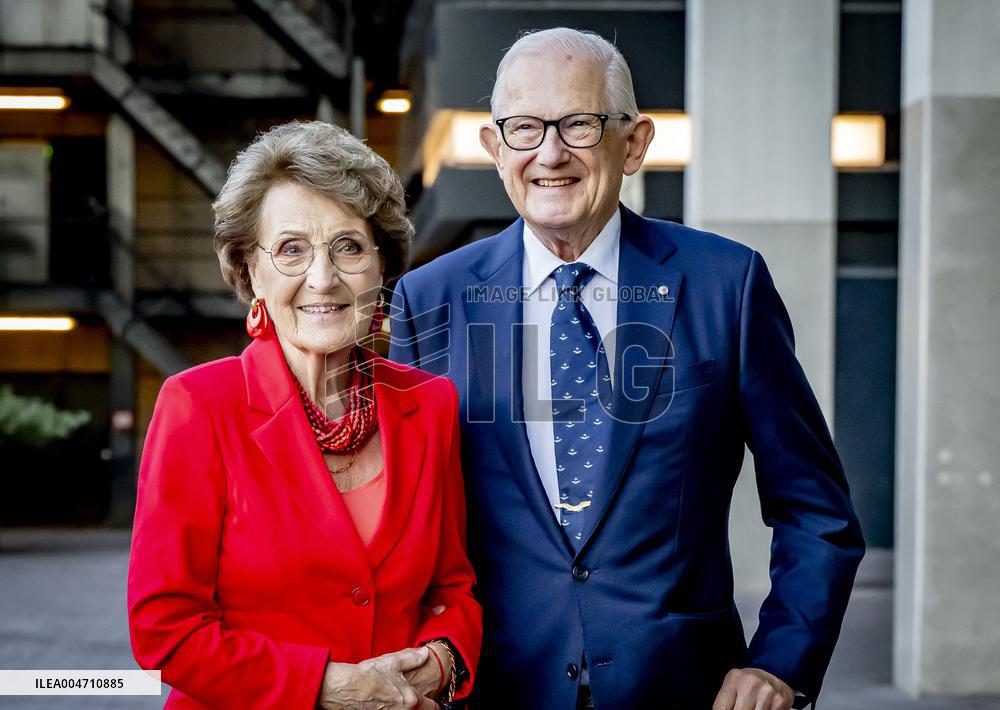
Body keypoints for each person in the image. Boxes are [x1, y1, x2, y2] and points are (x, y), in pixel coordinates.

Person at [389, 28, 864, 710]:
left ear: (635, 143)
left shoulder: (725, 285)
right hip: (494, 689)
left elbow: (816, 510)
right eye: (524, 128)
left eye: (579, 124)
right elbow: (411, 528)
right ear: (495, 151)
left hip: (682, 689)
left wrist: (781, 665)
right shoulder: (428, 300)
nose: (549, 153)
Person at [128, 121, 481, 710]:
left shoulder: (432, 404)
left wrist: (439, 664)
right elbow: (166, 627)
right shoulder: (199, 406)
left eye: (348, 246)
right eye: (291, 249)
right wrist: (331, 688)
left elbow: (454, 591)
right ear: (251, 272)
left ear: (380, 266)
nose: (323, 278)